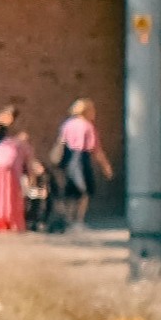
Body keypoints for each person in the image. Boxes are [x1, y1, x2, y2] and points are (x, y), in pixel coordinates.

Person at [53, 100, 105, 233]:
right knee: (84, 191)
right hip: (82, 158)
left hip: (68, 158)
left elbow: (61, 141)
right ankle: (78, 220)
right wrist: (105, 166)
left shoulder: (68, 124)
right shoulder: (87, 126)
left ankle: (69, 220)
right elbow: (95, 148)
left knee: (71, 191)